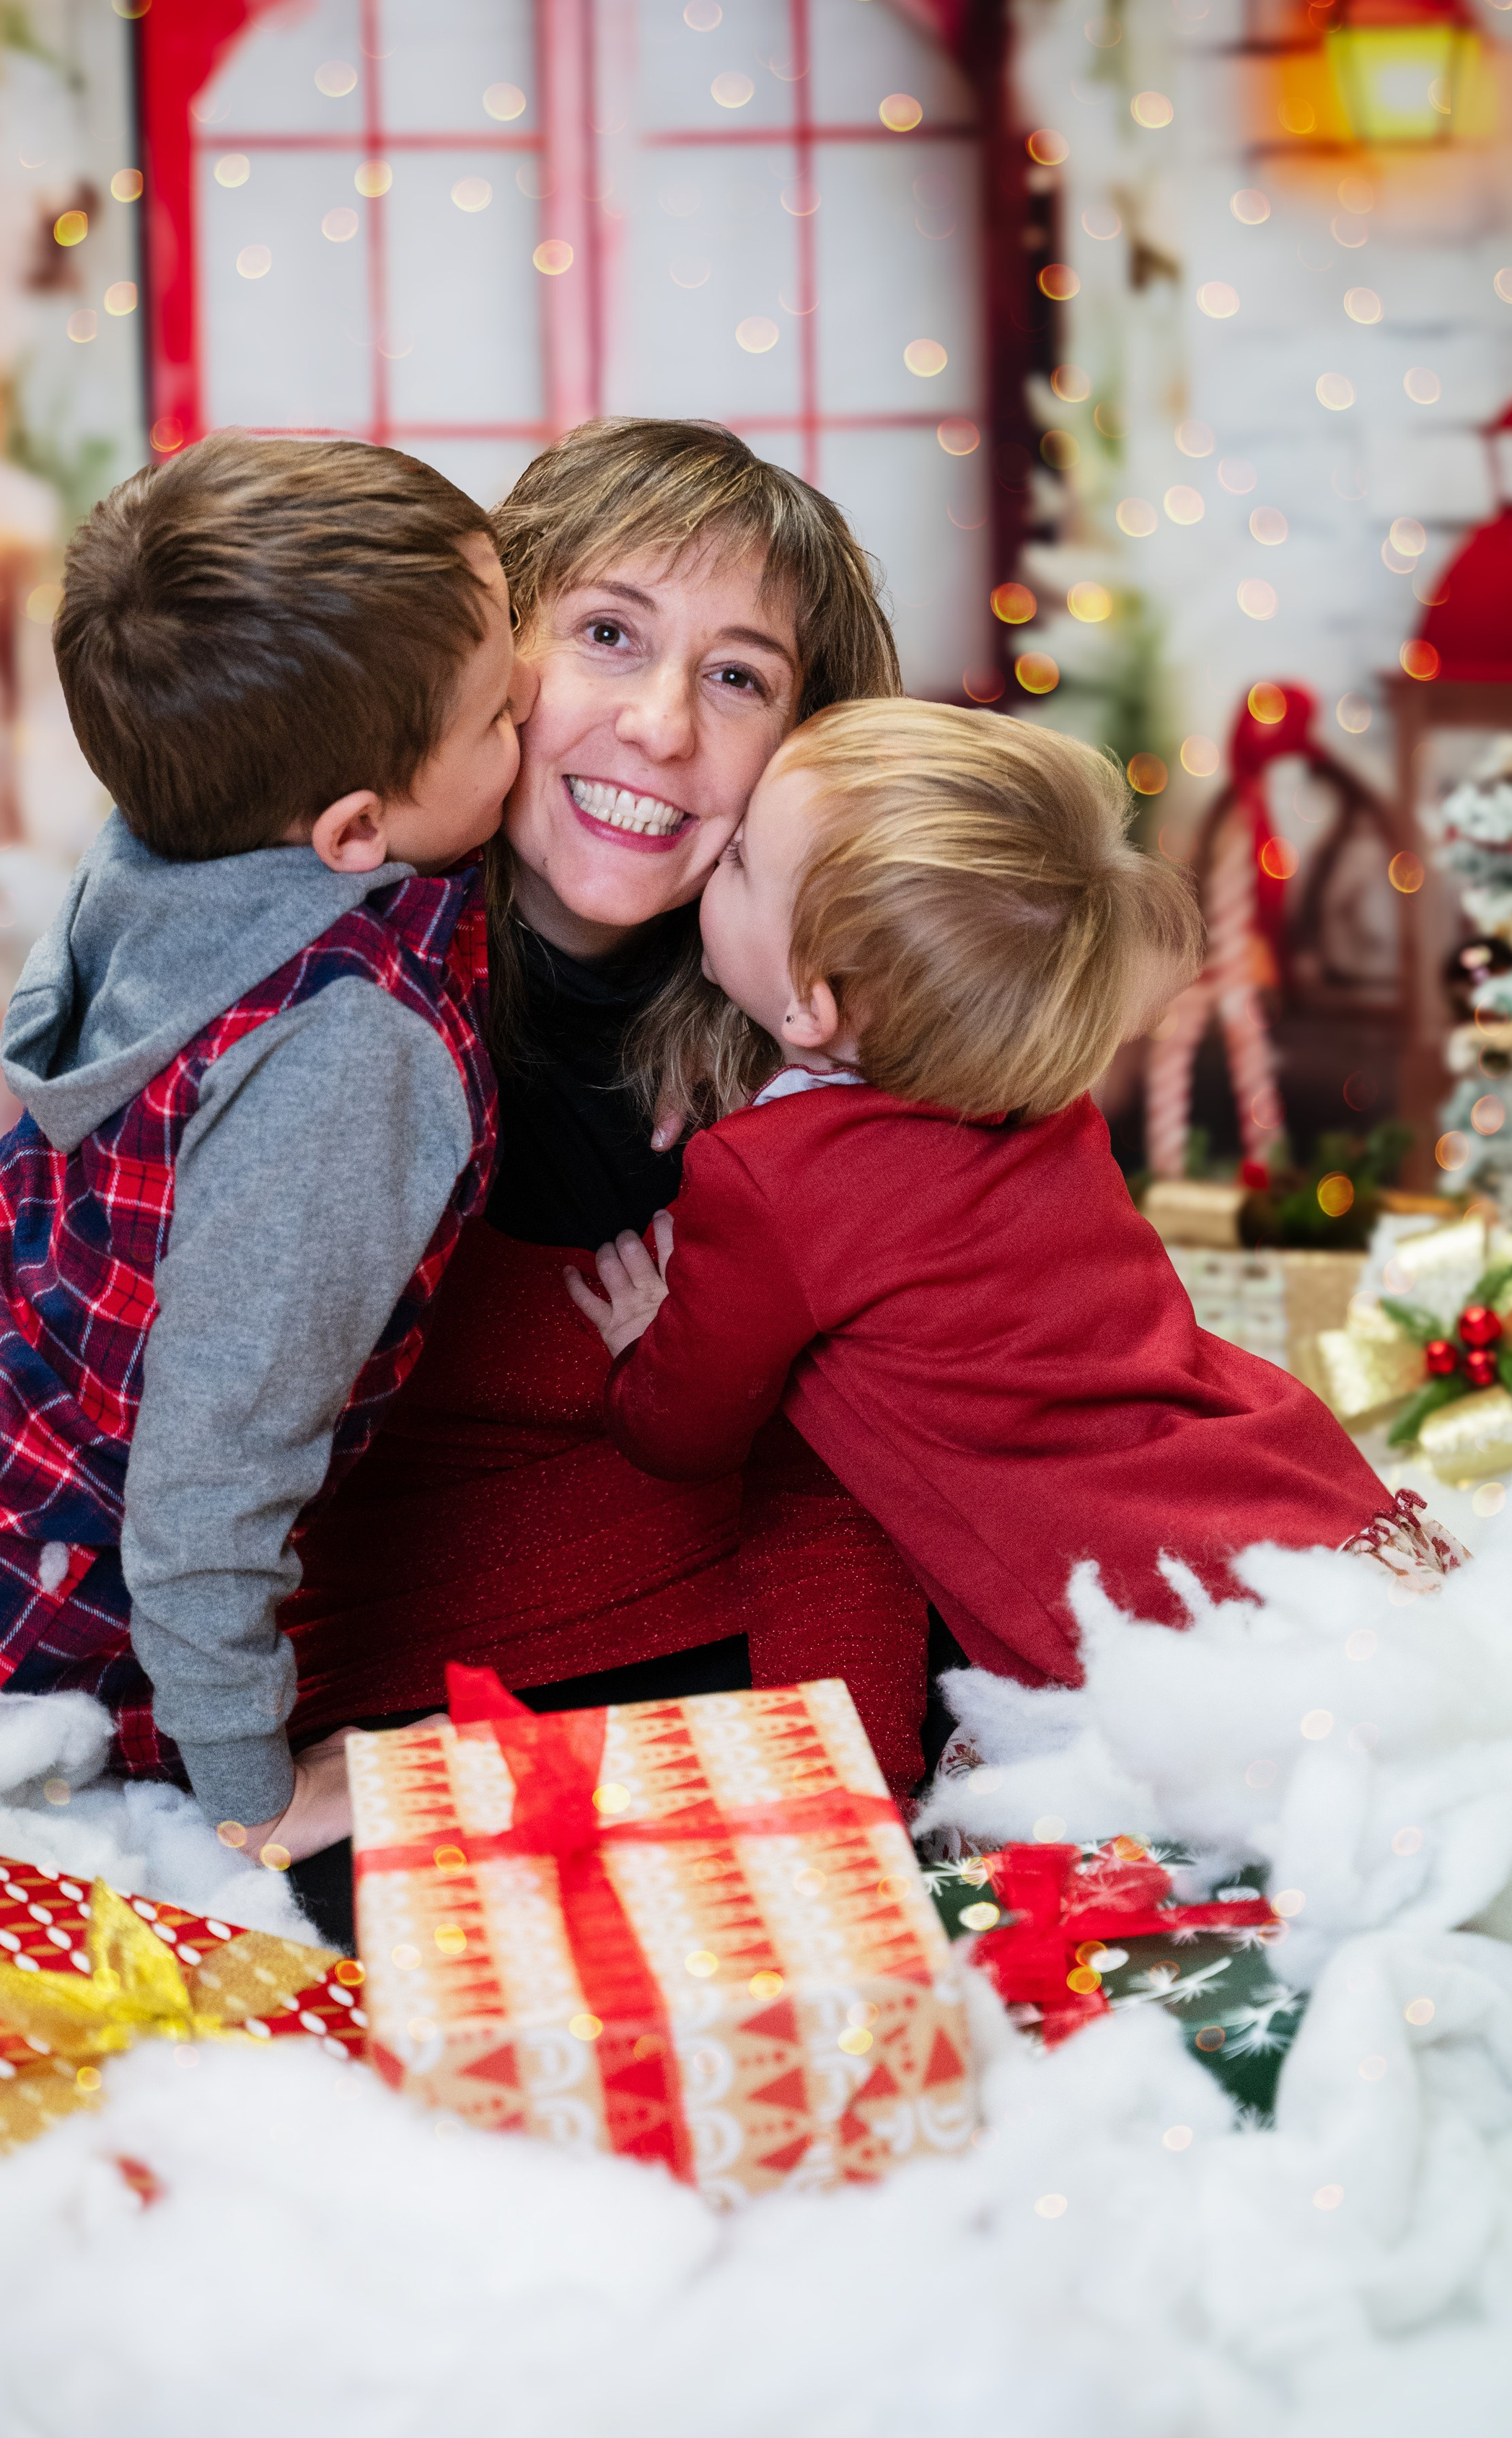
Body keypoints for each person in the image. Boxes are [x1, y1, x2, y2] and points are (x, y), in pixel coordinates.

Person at [0, 431, 533, 1882]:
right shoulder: (344, 1057)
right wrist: (249, 1785)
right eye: (497, 710)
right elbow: (212, 1470)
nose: (536, 696)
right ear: (352, 829)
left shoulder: (166, 842)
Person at [278, 423, 935, 1914]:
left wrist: (852, 1835)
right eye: (605, 633)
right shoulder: (319, 985)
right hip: (361, 1678)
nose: (655, 726)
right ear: (485, 654)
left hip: (725, 1645)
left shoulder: (816, 1034)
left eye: (736, 675)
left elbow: (844, 1491)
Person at [570, 700, 1414, 1684]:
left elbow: (684, 1433)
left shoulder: (773, 1179)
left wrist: (645, 1342)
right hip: (1271, 1476)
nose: (719, 857)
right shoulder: (1044, 1091)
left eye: (745, 861)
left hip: (1130, 1604)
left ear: (813, 1003)